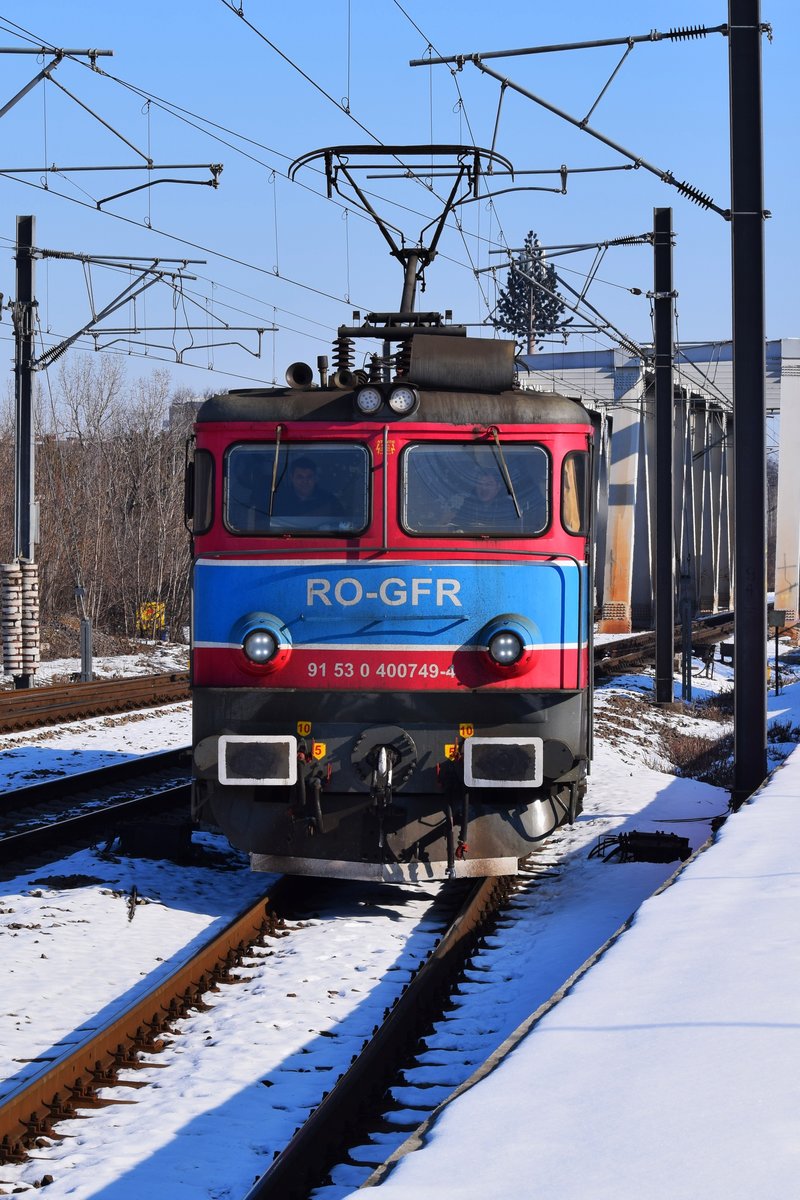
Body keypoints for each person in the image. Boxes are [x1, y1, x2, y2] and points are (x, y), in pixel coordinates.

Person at [271, 455, 343, 520]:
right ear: (291, 478)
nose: (305, 481)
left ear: (315, 478)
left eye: (309, 477)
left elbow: (343, 524)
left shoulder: (329, 500)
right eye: (300, 477)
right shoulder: (279, 500)